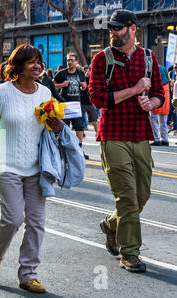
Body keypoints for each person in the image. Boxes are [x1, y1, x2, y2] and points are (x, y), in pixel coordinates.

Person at [0, 43, 63, 294]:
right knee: (14, 218)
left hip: (37, 168)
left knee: (37, 223)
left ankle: (28, 274)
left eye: (39, 61)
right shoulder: (3, 92)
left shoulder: (45, 93)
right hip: (7, 165)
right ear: (18, 66)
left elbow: (56, 129)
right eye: (31, 62)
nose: (37, 65)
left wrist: (56, 124)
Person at [89, 9, 164, 273]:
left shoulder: (149, 58)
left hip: (141, 135)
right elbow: (97, 98)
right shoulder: (101, 59)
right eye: (111, 28)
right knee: (127, 198)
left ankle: (110, 225)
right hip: (113, 135)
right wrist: (134, 91)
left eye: (118, 28)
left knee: (141, 195)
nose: (112, 32)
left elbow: (159, 95)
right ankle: (130, 253)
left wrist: (150, 103)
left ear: (133, 29)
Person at [54, 52, 90, 159]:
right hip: (64, 105)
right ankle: (61, 150)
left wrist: (84, 86)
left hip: (76, 105)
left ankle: (79, 149)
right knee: (63, 128)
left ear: (76, 62)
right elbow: (53, 86)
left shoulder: (80, 73)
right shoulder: (61, 73)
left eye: (71, 60)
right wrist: (62, 85)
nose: (69, 62)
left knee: (79, 128)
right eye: (68, 60)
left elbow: (84, 86)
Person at [149, 64, 170, 146]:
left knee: (154, 120)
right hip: (166, 94)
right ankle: (165, 139)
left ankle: (157, 139)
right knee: (163, 121)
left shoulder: (151, 68)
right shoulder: (163, 68)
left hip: (156, 95)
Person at [81, 65, 99, 134]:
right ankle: (82, 134)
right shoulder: (82, 78)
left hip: (91, 103)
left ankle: (98, 134)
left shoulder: (93, 79)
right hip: (82, 103)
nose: (87, 72)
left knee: (94, 120)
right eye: (85, 70)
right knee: (81, 121)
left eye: (88, 70)